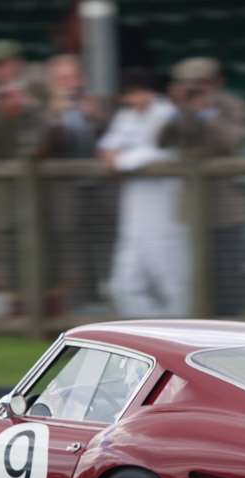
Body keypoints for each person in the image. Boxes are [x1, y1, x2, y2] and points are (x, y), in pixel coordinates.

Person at [159, 57, 245, 316]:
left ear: (216, 82)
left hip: (227, 207)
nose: (194, 90)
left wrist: (205, 113)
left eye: (200, 84)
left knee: (229, 274)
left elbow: (231, 143)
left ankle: (235, 328)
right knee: (196, 274)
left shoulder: (234, 106)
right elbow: (161, 141)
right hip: (192, 207)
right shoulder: (181, 110)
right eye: (188, 85)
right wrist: (180, 110)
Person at [98, 68, 190, 317]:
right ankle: (150, 336)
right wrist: (118, 158)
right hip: (133, 218)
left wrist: (124, 160)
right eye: (126, 94)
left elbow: (163, 153)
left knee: (174, 286)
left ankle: (179, 340)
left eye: (135, 92)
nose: (130, 99)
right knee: (123, 286)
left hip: (165, 216)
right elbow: (106, 149)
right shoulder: (125, 116)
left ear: (149, 91)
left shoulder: (167, 113)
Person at [37, 54, 113, 312]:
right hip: (66, 196)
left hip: (100, 192)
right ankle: (79, 308)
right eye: (63, 79)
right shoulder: (44, 110)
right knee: (75, 253)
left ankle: (110, 303)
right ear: (52, 83)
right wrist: (55, 114)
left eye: (74, 77)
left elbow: (115, 139)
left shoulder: (99, 104)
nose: (71, 84)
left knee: (106, 248)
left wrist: (96, 118)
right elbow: (40, 146)